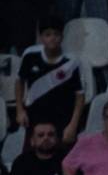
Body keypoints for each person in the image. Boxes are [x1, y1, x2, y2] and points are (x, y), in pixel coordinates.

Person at [16, 16, 85, 147]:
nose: (52, 38)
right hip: (34, 116)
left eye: (56, 34)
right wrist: (19, 110)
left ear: (62, 37)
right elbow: (19, 81)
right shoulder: (30, 55)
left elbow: (80, 95)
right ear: (41, 37)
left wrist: (73, 125)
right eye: (47, 35)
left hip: (63, 118)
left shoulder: (72, 62)